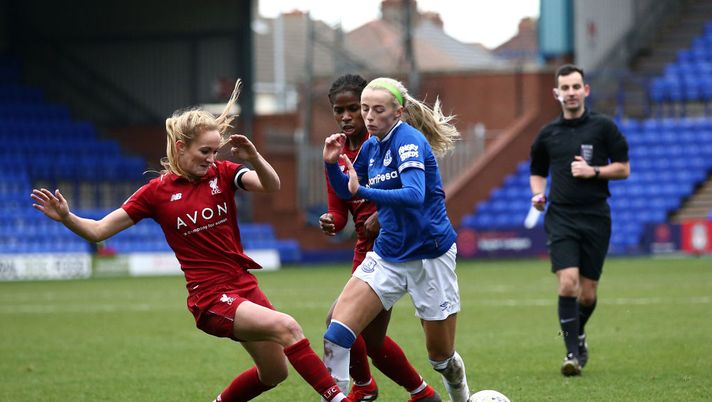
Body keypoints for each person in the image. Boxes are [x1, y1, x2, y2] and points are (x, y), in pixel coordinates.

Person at [30, 80, 354, 402]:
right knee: (288, 327)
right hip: (210, 298)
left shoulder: (223, 173)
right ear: (181, 147)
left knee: (274, 373)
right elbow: (99, 231)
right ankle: (337, 400)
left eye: (215, 151)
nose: (211, 159)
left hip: (244, 286)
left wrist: (254, 156)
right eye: (204, 151)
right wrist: (67, 217)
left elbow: (271, 185)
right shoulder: (155, 193)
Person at [321, 77, 472, 402]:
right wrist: (331, 162)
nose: (368, 116)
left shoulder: (408, 141)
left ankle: (460, 394)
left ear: (398, 112)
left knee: (441, 358)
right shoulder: (372, 147)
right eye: (365, 109)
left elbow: (414, 195)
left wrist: (363, 190)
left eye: (377, 110)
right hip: (388, 255)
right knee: (336, 334)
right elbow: (343, 186)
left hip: (429, 256)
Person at [529, 64, 630, 376]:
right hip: (561, 216)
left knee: (588, 293)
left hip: (596, 216)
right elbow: (537, 171)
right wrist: (538, 194)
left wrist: (594, 171)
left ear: (585, 90)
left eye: (576, 87)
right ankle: (572, 354)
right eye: (565, 88)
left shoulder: (603, 128)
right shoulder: (548, 133)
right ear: (556, 93)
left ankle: (578, 335)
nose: (570, 93)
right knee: (568, 282)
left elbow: (624, 168)